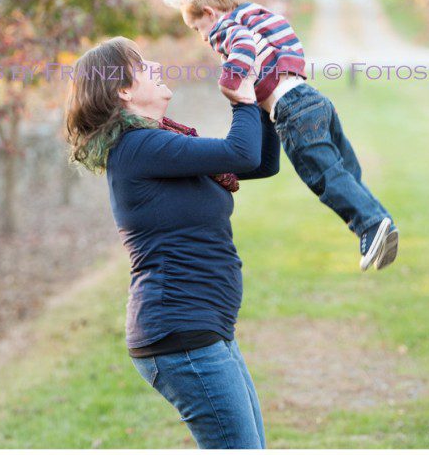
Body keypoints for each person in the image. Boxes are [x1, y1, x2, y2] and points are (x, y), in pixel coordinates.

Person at [66, 36, 279, 448]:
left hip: (205, 329)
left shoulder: (156, 145)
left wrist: (265, 95)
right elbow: (241, 151)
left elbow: (260, 161)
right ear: (123, 90)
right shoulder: (140, 147)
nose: (157, 66)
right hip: (182, 335)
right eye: (143, 66)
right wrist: (241, 101)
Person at [160, 0, 398, 271]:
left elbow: (241, 44)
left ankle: (369, 225)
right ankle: (379, 221)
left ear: (209, 13)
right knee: (344, 170)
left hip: (292, 111)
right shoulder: (260, 16)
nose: (202, 37)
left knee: (323, 176)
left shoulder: (226, 28)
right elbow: (288, 44)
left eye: (197, 28)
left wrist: (231, 80)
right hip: (313, 100)